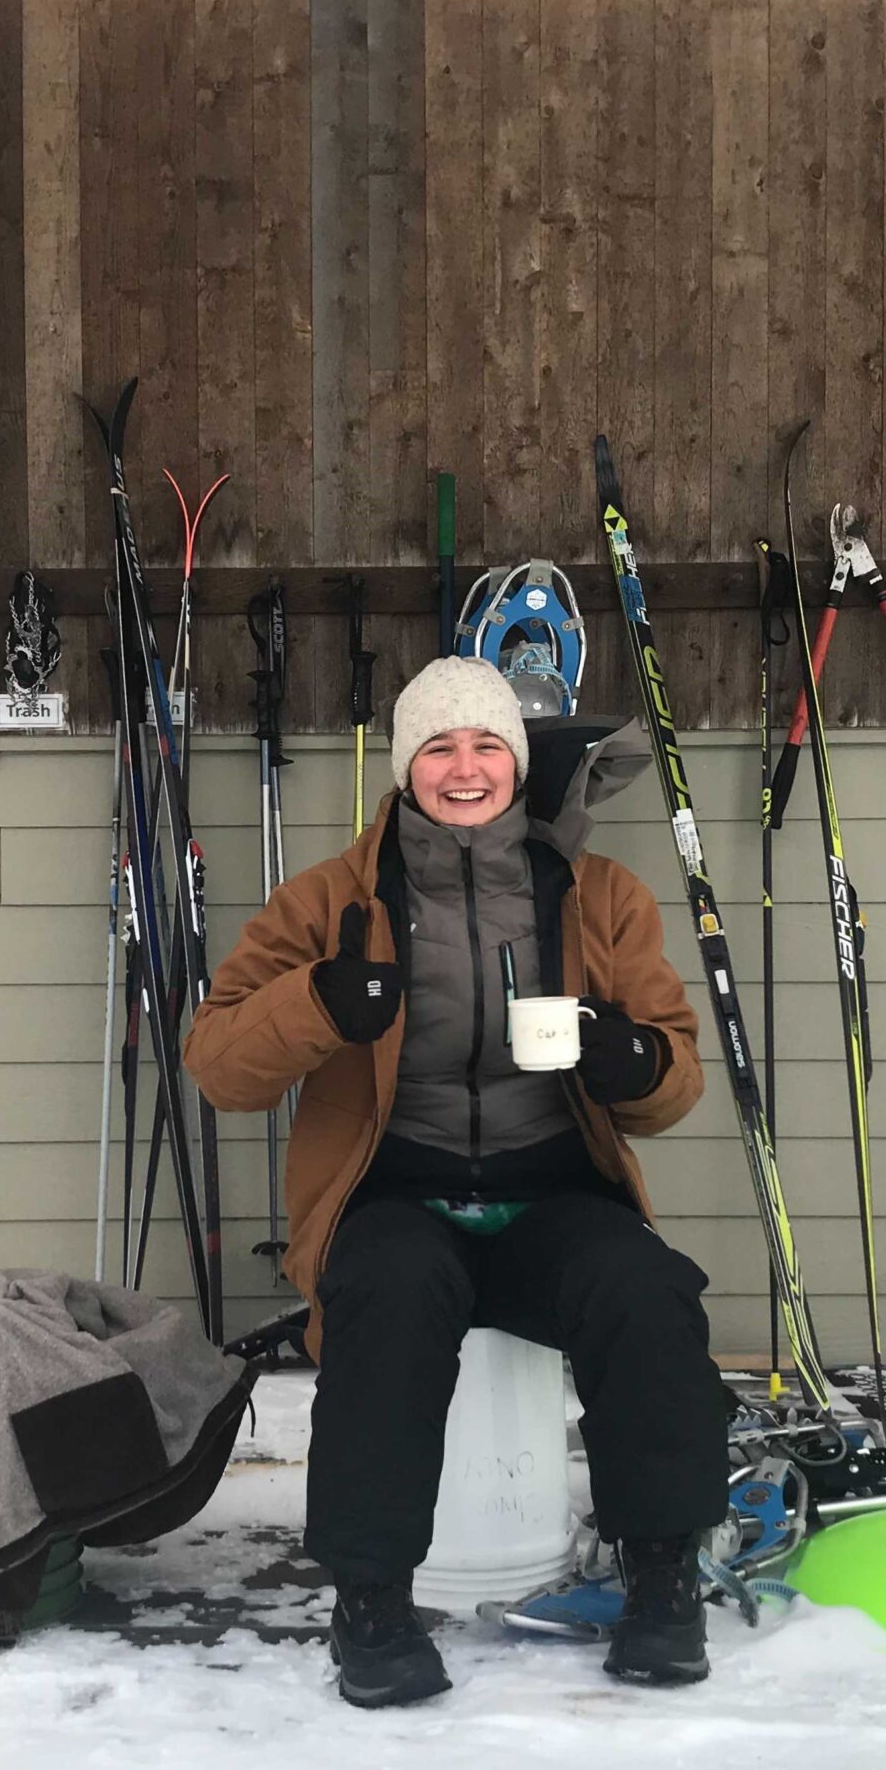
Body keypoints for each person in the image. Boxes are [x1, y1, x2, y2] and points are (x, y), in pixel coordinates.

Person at [186, 655, 728, 1708]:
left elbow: (674, 1074)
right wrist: (319, 1004)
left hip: (552, 1195)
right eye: (438, 746)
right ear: (404, 768)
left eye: (486, 745)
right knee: (385, 1294)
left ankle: (662, 1579)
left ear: (517, 766)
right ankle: (372, 1604)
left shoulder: (600, 895)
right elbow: (217, 1065)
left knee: (647, 1289)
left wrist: (633, 1063)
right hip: (391, 1191)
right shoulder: (331, 900)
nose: (465, 767)